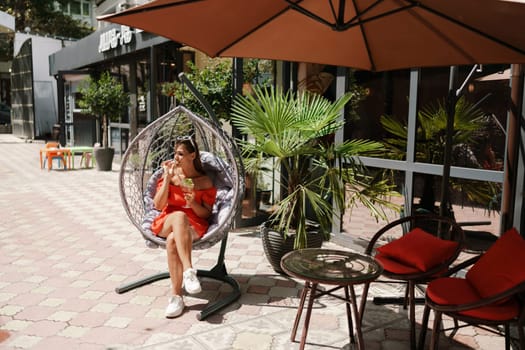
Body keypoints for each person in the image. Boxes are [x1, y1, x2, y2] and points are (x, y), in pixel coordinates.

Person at [150, 136, 217, 318]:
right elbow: (157, 205)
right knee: (179, 216)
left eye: (181, 154)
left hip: (194, 223)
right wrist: (166, 178)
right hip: (167, 221)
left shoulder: (204, 182)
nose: (176, 157)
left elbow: (206, 214)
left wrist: (194, 202)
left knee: (172, 241)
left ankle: (176, 297)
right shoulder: (172, 175)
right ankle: (189, 271)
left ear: (192, 155)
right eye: (175, 153)